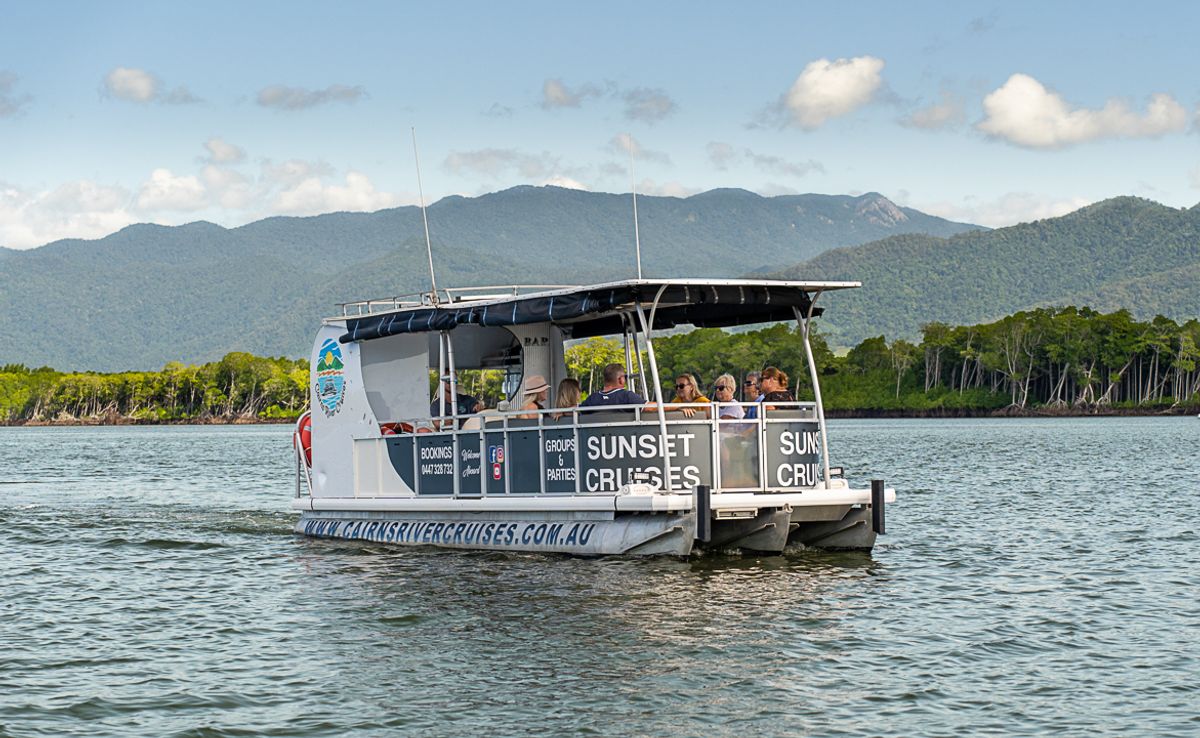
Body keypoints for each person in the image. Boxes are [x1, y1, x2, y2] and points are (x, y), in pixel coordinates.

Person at [579, 363, 645, 408]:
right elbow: (649, 407)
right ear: (620, 379)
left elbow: (574, 411)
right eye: (625, 377)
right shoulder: (627, 396)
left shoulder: (592, 399)